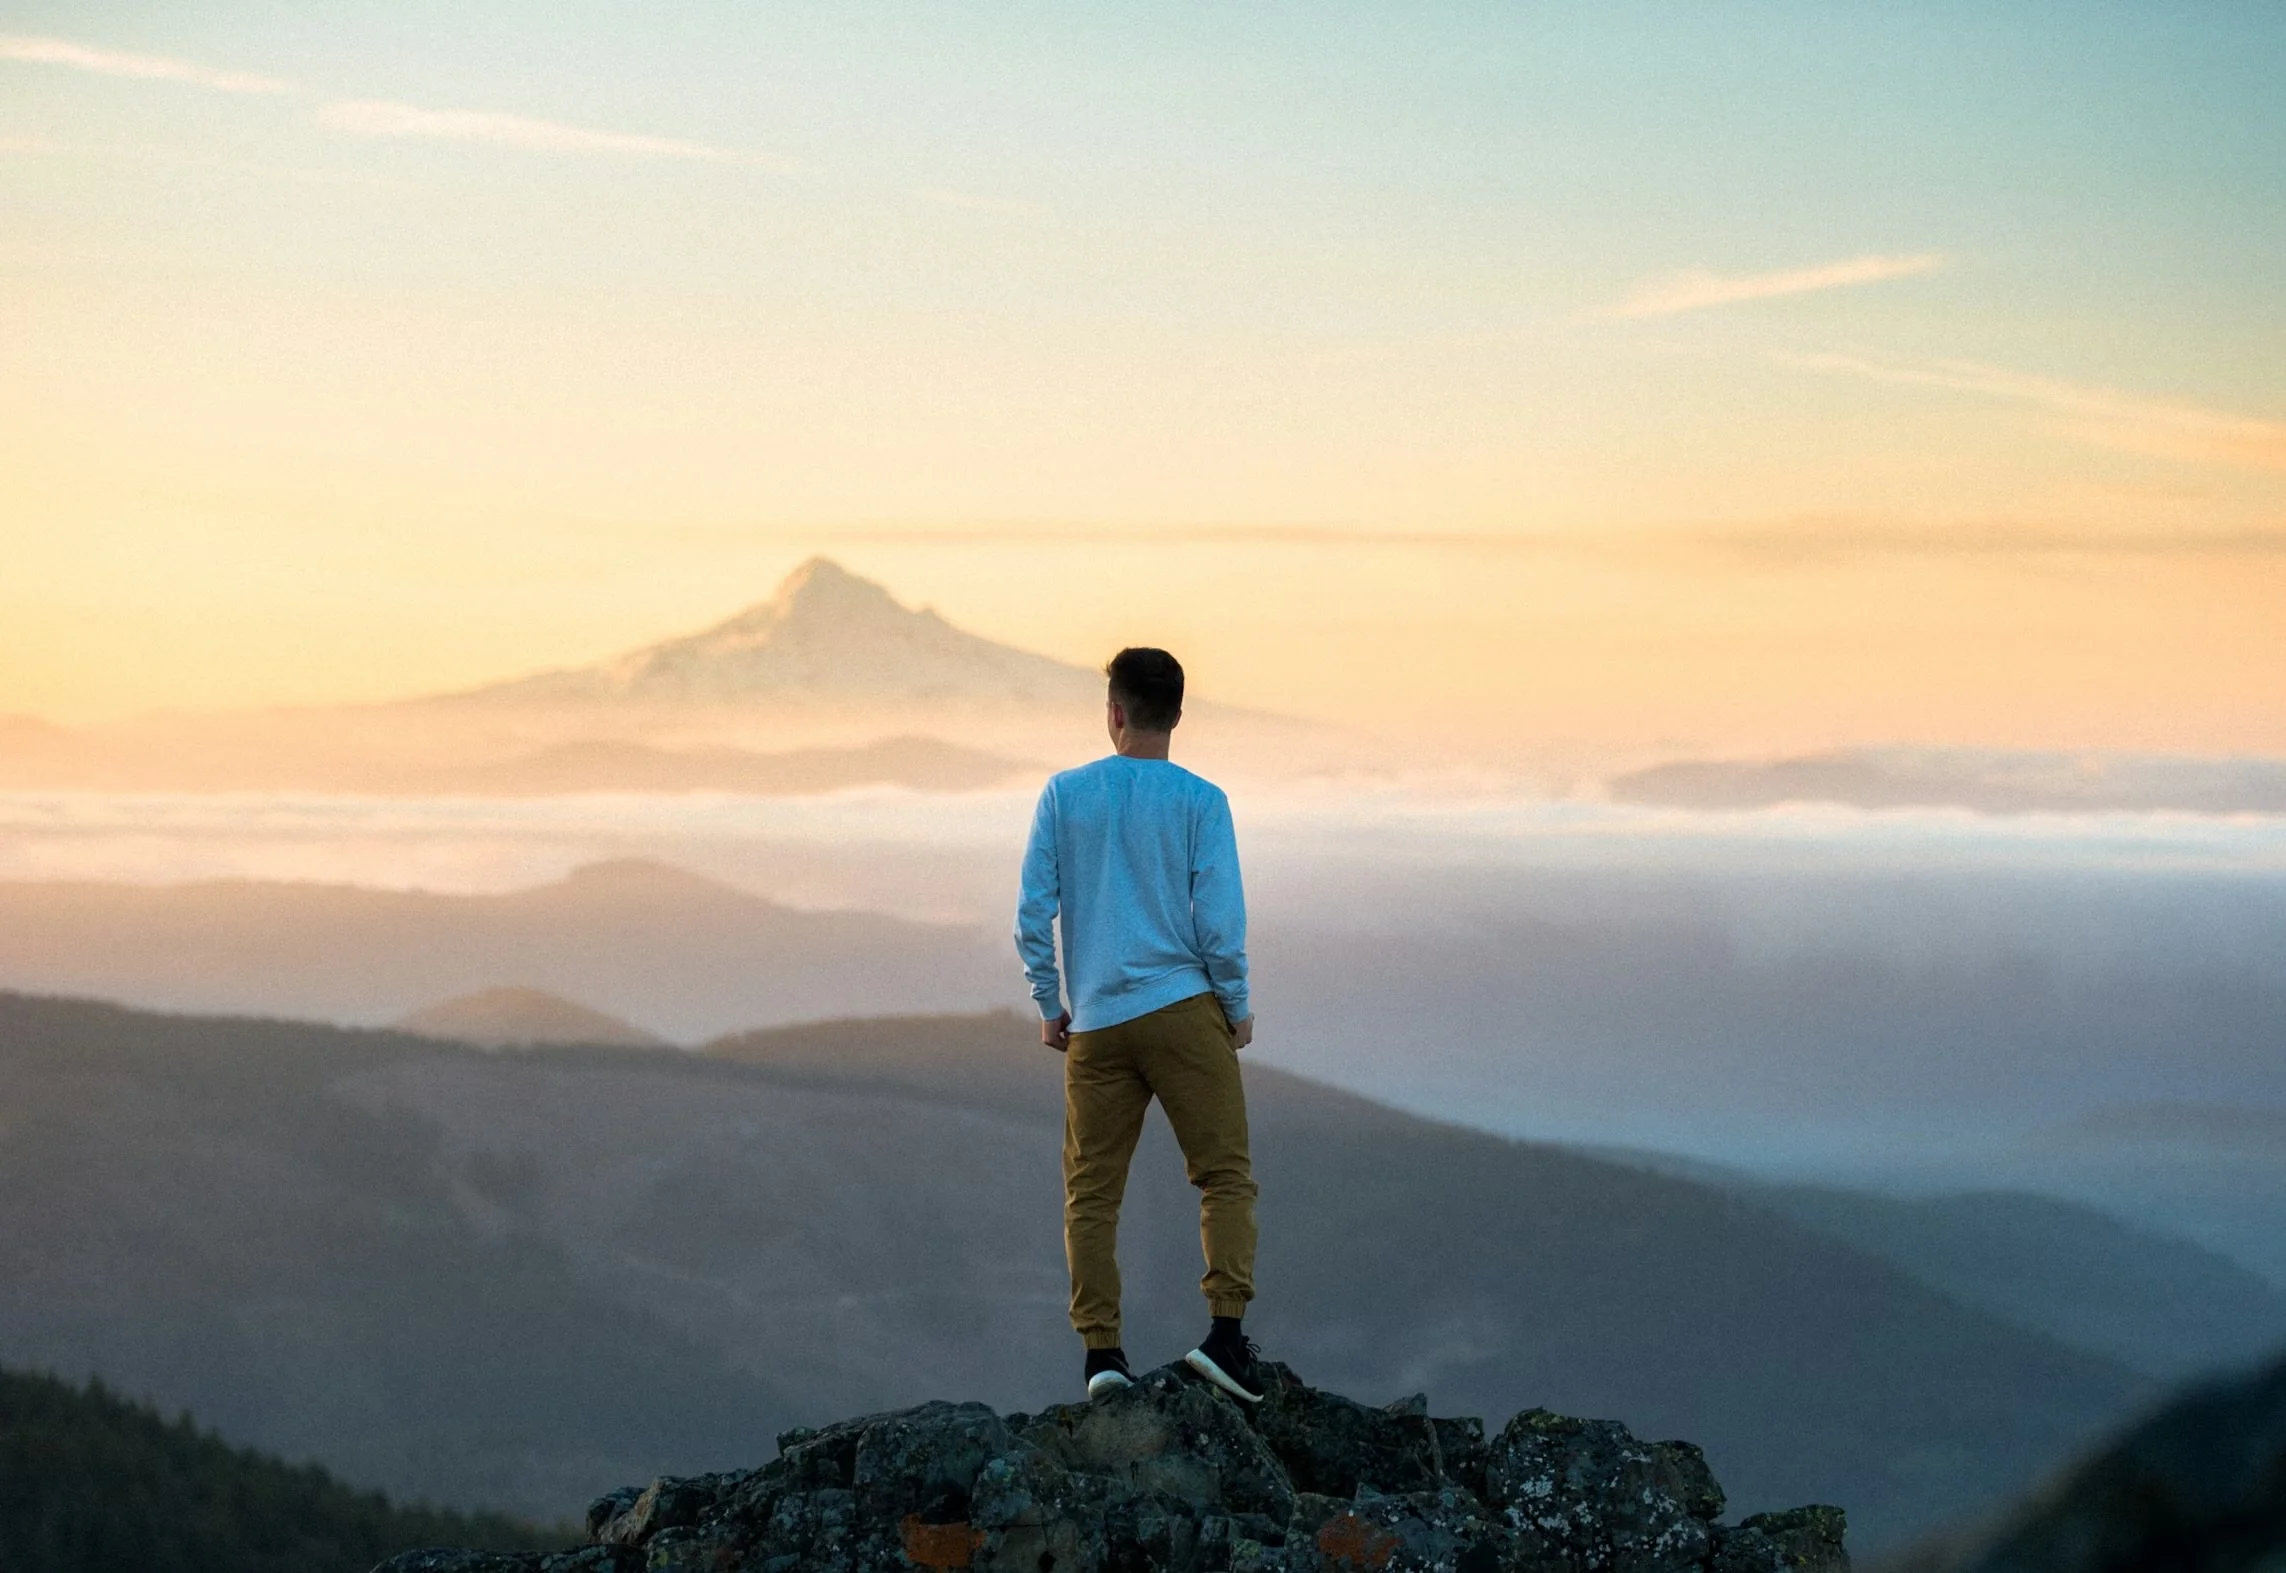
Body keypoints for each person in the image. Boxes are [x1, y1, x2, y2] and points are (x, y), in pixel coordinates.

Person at [1014, 646, 1264, 1403]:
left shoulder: (1065, 794)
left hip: (1096, 1022)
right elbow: (1218, 924)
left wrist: (1050, 1001)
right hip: (1184, 1008)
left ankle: (1102, 1356)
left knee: (1092, 1194)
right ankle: (1224, 1335)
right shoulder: (1200, 800)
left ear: (1114, 711)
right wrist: (1237, 1005)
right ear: (1178, 714)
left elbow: (1033, 913)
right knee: (1223, 1175)